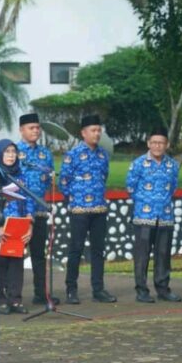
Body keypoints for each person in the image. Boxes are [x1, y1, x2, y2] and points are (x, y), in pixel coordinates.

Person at [59, 114, 116, 304]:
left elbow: (104, 177)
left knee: (98, 250)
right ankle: (71, 289)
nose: (97, 134)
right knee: (76, 249)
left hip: (99, 209)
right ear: (83, 133)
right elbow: (63, 182)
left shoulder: (103, 155)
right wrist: (76, 197)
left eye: (99, 130)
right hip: (79, 210)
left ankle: (98, 289)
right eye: (93, 130)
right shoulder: (73, 155)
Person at [125, 128, 182, 303]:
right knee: (142, 256)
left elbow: (173, 187)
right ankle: (142, 290)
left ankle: (163, 289)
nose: (157, 146)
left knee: (163, 255)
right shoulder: (138, 164)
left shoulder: (172, 165)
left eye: (161, 143)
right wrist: (146, 202)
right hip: (144, 216)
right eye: (154, 142)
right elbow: (130, 187)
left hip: (165, 216)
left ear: (167, 145)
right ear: (149, 143)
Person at [0, 139, 34, 314]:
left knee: (16, 265)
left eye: (13, 152)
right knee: (0, 265)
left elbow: (29, 200)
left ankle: (15, 300)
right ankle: (1, 300)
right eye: (7, 152)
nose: (11, 155)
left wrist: (29, 225)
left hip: (18, 226)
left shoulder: (20, 176)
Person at [17, 112, 56, 305]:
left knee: (39, 255)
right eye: (31, 128)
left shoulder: (45, 154)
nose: (36, 131)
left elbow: (49, 180)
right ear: (21, 130)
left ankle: (41, 293)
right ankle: (13, 297)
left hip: (39, 210)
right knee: (15, 255)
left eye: (37, 128)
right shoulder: (14, 151)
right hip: (20, 211)